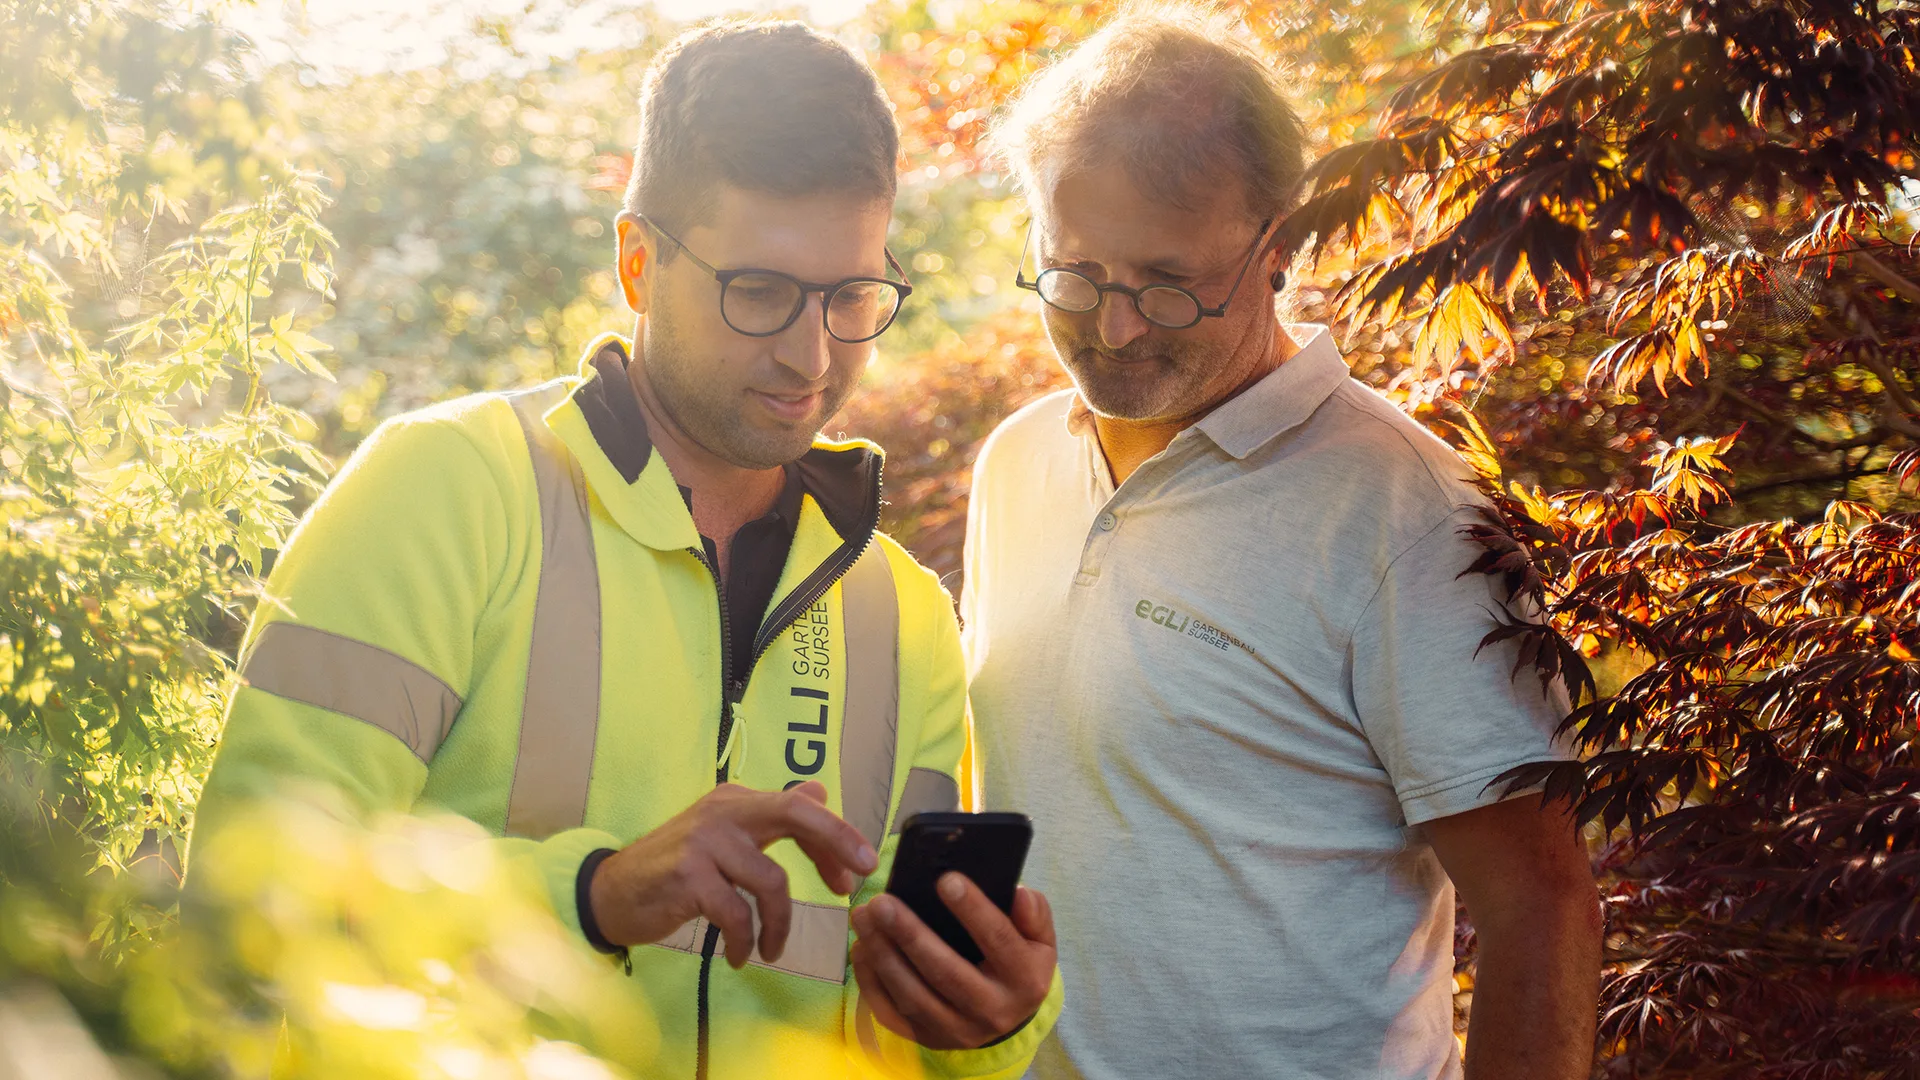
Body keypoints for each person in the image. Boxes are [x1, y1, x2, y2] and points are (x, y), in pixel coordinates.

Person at [187, 21, 1061, 1080]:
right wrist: (590, 897)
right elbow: (248, 899)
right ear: (638, 263)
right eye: (761, 293)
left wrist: (987, 1025)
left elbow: (898, 1030)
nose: (811, 353)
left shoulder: (905, 610)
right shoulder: (445, 488)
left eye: (852, 297)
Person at [955, 6, 1604, 1079]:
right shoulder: (1017, 462)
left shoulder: (1409, 511)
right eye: (1074, 274)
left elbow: (1540, 904)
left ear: (1279, 246)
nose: (1114, 330)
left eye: (1168, 283)